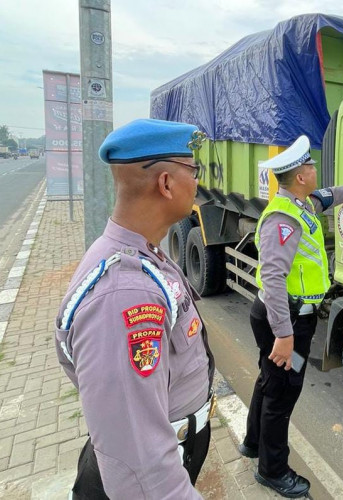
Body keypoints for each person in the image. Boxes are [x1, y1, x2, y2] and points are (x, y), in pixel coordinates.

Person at [54, 119, 216, 499]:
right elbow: (142, 470)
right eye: (193, 171)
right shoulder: (124, 294)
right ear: (166, 184)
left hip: (176, 443)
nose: (198, 182)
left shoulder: (145, 253)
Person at [239, 135, 343, 498]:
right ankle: (272, 471)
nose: (315, 169)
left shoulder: (301, 204)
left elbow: (332, 194)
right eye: (311, 166)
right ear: (300, 176)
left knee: (269, 381)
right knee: (282, 394)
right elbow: (272, 278)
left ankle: (253, 443)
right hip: (284, 319)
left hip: (284, 316)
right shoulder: (283, 220)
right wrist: (284, 336)